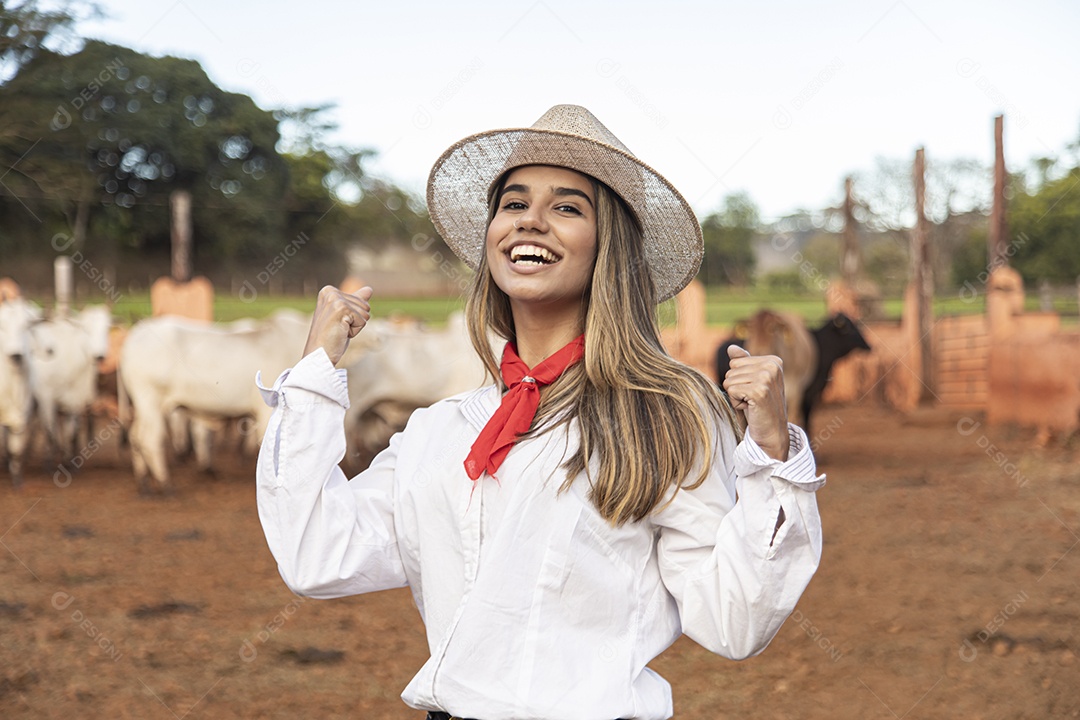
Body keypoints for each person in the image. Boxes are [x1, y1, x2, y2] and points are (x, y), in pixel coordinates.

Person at [255, 105, 824, 720]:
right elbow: (316, 554)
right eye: (514, 203)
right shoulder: (442, 430)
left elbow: (732, 620)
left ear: (609, 246)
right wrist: (314, 374)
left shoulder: (665, 416)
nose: (531, 221)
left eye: (567, 207)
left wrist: (769, 454)